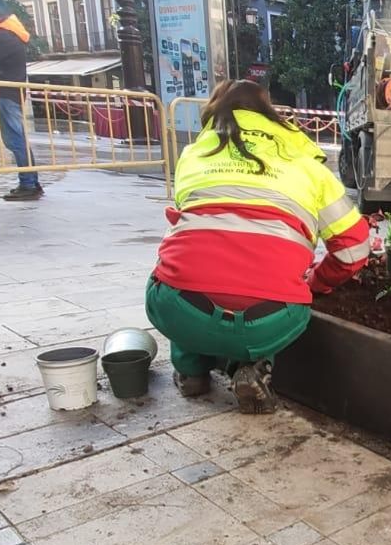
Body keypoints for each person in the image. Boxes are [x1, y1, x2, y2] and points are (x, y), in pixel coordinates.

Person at [146, 79, 371, 413]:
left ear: (215, 114)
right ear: (273, 118)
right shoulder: (310, 169)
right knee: (265, 292)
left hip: (182, 308)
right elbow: (355, 250)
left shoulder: (194, 156)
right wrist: (317, 283)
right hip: (271, 317)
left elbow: (188, 230)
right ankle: (251, 368)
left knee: (176, 277)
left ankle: (191, 371)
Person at [0, 0, 42, 201]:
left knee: (15, 140)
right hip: (7, 94)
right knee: (17, 139)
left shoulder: (3, 36)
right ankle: (30, 181)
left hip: (4, 94)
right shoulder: (8, 33)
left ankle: (29, 183)